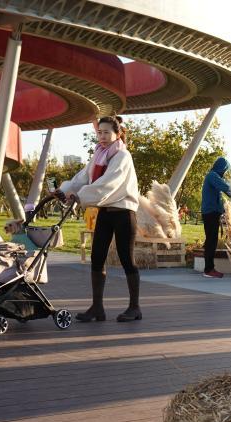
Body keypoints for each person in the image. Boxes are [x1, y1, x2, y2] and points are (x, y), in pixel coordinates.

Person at [57, 115, 142, 322]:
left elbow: (107, 184)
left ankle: (134, 308)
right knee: (97, 257)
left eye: (106, 132)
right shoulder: (99, 155)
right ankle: (97, 307)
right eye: (99, 132)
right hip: (105, 212)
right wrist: (64, 190)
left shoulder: (123, 156)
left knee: (126, 259)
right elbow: (82, 178)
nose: (102, 136)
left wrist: (79, 196)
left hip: (123, 212)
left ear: (117, 134)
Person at [200, 157, 231, 278]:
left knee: (211, 240)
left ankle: (209, 268)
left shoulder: (213, 176)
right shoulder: (213, 176)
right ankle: (209, 270)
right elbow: (225, 187)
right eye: (225, 170)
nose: (225, 172)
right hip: (210, 213)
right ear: (222, 168)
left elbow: (223, 192)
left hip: (212, 212)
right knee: (211, 241)